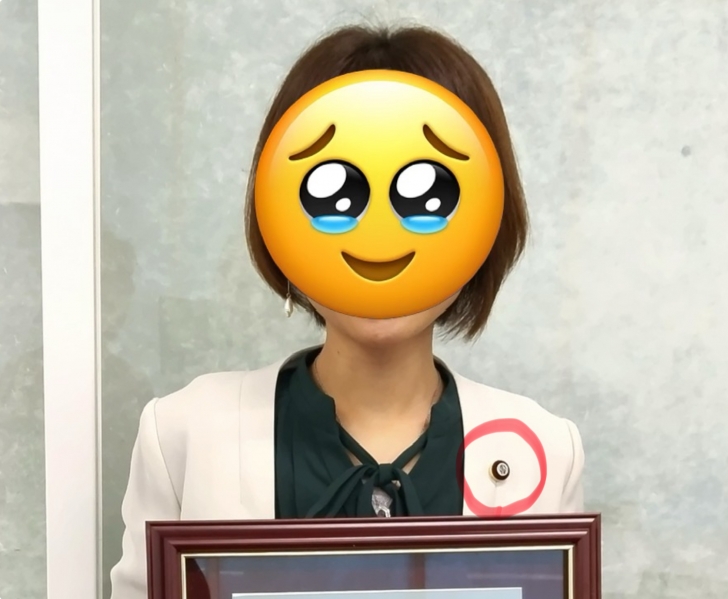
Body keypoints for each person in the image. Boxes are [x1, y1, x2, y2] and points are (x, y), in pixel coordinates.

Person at [109, 23, 585, 599]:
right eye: (334, 197)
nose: (379, 234)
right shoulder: (181, 435)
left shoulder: (546, 448)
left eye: (430, 196)